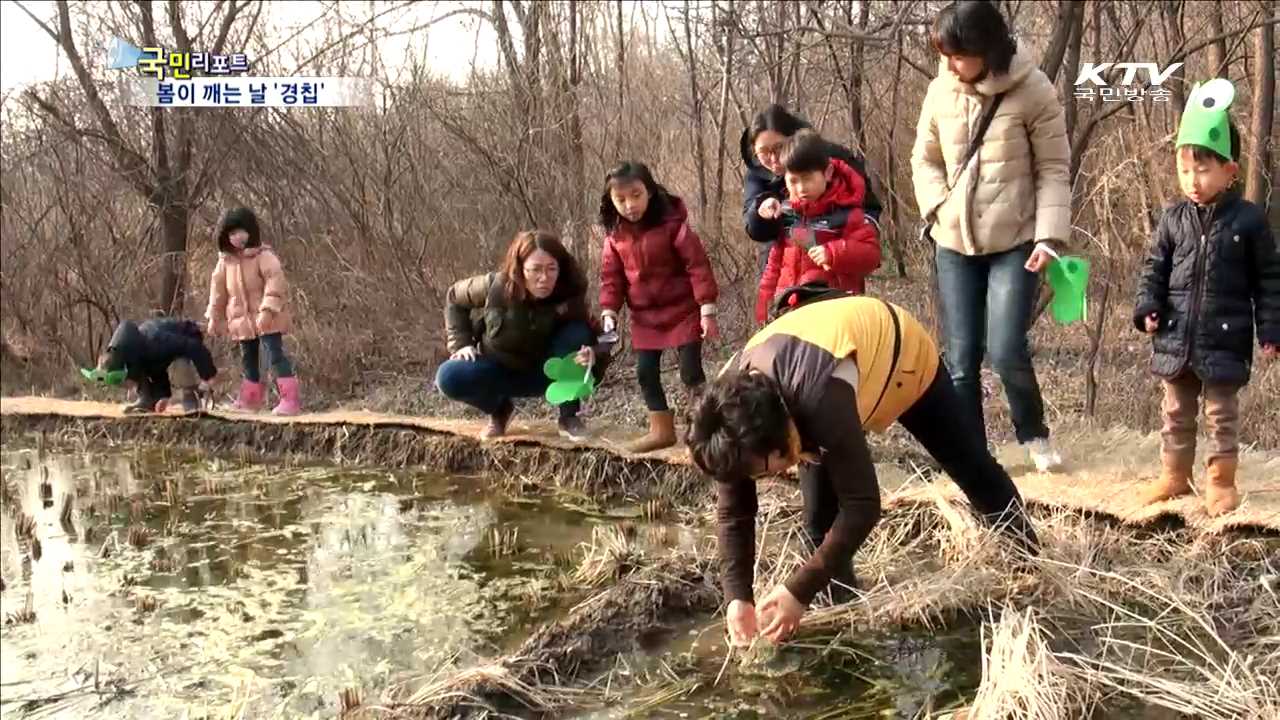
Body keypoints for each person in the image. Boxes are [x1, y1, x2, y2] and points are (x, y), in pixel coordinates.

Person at [686, 289, 1039, 646]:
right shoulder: (729, 421)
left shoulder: (819, 399)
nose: (765, 479)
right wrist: (737, 598)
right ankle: (843, 619)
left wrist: (797, 591)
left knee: (970, 466)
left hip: (901, 357)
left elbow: (863, 505)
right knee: (818, 520)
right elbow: (734, 514)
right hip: (819, 374)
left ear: (778, 435)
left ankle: (1029, 562)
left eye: (763, 471)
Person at [910, 0, 1070, 471]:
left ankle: (1034, 435)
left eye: (961, 54)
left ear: (988, 47)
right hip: (954, 241)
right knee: (960, 357)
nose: (953, 64)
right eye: (948, 55)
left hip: (1016, 240)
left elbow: (1054, 168)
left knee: (1005, 349)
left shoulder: (1034, 90)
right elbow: (925, 159)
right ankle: (970, 455)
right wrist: (937, 206)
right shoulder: (941, 90)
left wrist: (1047, 237)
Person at [1133, 84, 1279, 516]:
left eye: (1202, 170)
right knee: (1175, 413)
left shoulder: (1249, 221)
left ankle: (1221, 482)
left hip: (1225, 338)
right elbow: (1152, 269)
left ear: (1229, 171)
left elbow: (1270, 280)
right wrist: (1147, 309)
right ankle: (1175, 475)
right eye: (1184, 170)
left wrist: (1271, 327)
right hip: (1176, 337)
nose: (1191, 181)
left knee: (1221, 417)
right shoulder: (1173, 219)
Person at [436, 230, 606, 442]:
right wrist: (461, 343)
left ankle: (569, 416)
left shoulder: (570, 295)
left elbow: (600, 342)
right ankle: (499, 411)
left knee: (577, 333)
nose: (544, 278)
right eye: (535, 270)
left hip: (546, 374)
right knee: (449, 377)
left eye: (551, 269)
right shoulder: (495, 286)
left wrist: (593, 357)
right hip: (498, 370)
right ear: (519, 269)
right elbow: (454, 297)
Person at [599, 161, 720, 453]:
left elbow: (698, 266)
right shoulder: (615, 237)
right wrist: (609, 311)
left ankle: (703, 429)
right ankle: (661, 430)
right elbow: (611, 278)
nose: (630, 205)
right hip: (644, 317)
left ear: (650, 192)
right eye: (621, 199)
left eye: (636, 195)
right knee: (645, 372)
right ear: (611, 201)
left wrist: (707, 308)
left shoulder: (673, 226)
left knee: (691, 372)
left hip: (683, 310)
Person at [755, 130, 881, 323]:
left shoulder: (847, 213)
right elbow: (774, 265)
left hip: (838, 314)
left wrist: (834, 252)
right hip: (790, 313)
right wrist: (764, 310)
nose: (801, 188)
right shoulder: (787, 215)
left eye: (807, 178)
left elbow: (871, 255)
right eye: (793, 181)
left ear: (828, 173)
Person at [742, 105, 882, 280]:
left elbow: (867, 206)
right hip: (784, 268)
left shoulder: (829, 156)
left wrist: (852, 244)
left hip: (835, 263)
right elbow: (755, 230)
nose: (773, 158)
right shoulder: (756, 175)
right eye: (763, 152)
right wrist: (761, 211)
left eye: (778, 148)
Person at [205, 206, 301, 415]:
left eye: (240, 231)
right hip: (242, 321)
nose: (236, 238)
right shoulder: (225, 263)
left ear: (250, 231)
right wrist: (214, 317)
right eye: (231, 234)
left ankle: (290, 399)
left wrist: (267, 310)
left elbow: (275, 282)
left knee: (274, 355)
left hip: (268, 318)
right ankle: (250, 400)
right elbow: (218, 293)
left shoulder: (263, 256)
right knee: (248, 358)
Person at [87, 316, 218, 413]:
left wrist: (208, 374)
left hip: (187, 335)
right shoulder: (136, 355)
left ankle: (191, 398)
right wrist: (163, 397)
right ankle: (148, 400)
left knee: (180, 364)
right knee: (150, 369)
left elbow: (192, 346)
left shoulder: (155, 343)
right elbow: (157, 371)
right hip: (156, 352)